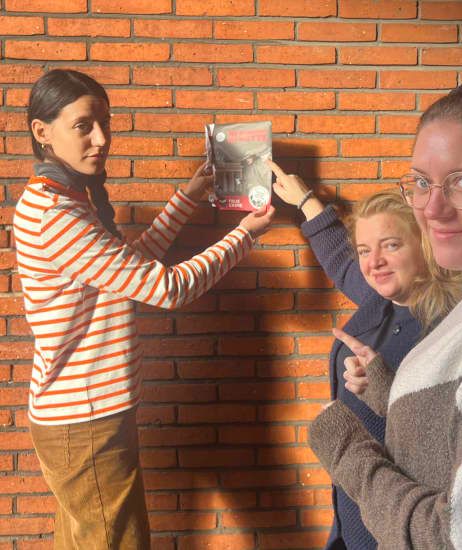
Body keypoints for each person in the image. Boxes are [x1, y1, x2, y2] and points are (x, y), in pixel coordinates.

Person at [13, 69, 275, 549]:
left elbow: (128, 271)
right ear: (42, 131)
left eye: (105, 124)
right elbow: (166, 288)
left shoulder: (63, 199)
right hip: (85, 422)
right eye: (84, 125)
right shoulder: (55, 214)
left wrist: (187, 198)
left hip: (84, 419)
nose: (101, 139)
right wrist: (244, 236)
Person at [308, 77, 462, 549]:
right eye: (421, 182)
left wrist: (347, 451)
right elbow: (457, 433)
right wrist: (387, 391)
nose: (433, 208)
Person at [270, 161, 462, 549]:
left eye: (391, 245)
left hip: (402, 531)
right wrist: (305, 201)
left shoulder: (452, 328)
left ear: (426, 244)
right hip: (352, 524)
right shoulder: (382, 301)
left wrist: (383, 389)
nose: (373, 262)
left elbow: (442, 444)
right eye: (364, 249)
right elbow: (342, 263)